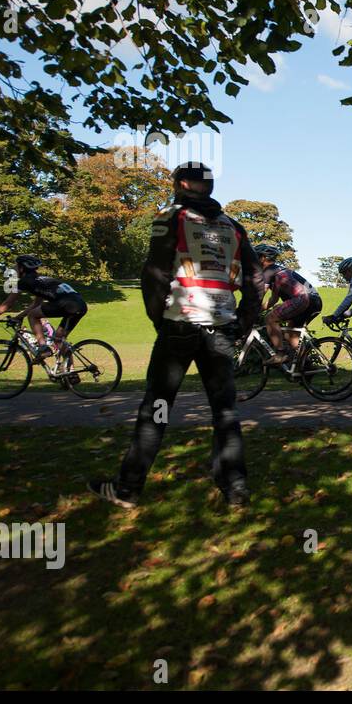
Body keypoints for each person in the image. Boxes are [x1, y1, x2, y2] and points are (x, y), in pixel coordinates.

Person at [93, 162, 259, 509]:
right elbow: (255, 278)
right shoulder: (234, 227)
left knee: (157, 407)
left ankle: (128, 489)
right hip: (221, 327)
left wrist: (159, 319)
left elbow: (154, 271)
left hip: (179, 323)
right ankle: (236, 489)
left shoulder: (172, 218)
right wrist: (244, 318)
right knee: (224, 411)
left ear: (183, 184)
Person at [0, 255, 88, 364]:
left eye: (16, 266)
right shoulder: (42, 280)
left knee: (32, 315)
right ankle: (70, 372)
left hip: (66, 304)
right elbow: (36, 304)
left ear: (21, 268)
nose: (14, 268)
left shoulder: (24, 282)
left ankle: (43, 347)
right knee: (58, 339)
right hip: (80, 305)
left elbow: (8, 303)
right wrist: (19, 317)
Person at [255, 244, 322, 365]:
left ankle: (280, 354)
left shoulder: (268, 271)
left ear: (263, 258)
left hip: (302, 299)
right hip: (315, 300)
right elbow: (273, 300)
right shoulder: (279, 271)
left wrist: (249, 311)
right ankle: (305, 365)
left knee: (270, 318)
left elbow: (260, 295)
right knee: (291, 334)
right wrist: (258, 310)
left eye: (257, 257)